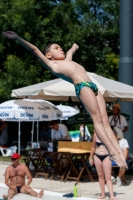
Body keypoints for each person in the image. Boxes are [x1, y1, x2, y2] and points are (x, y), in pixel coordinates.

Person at [2, 31, 127, 168]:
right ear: (48, 55)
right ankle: (112, 152)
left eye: (60, 47)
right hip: (82, 86)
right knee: (97, 119)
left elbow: (69, 54)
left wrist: (73, 47)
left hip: (93, 86)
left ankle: (119, 152)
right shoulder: (52, 64)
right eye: (56, 48)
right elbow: (34, 49)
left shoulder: (67, 62)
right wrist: (18, 37)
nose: (60, 48)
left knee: (105, 119)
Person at [89, 130, 117, 200]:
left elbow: (115, 144)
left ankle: (112, 196)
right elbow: (93, 147)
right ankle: (103, 194)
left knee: (108, 176)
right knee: (100, 176)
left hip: (107, 156)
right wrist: (90, 158)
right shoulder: (95, 135)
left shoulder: (109, 135)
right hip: (97, 156)